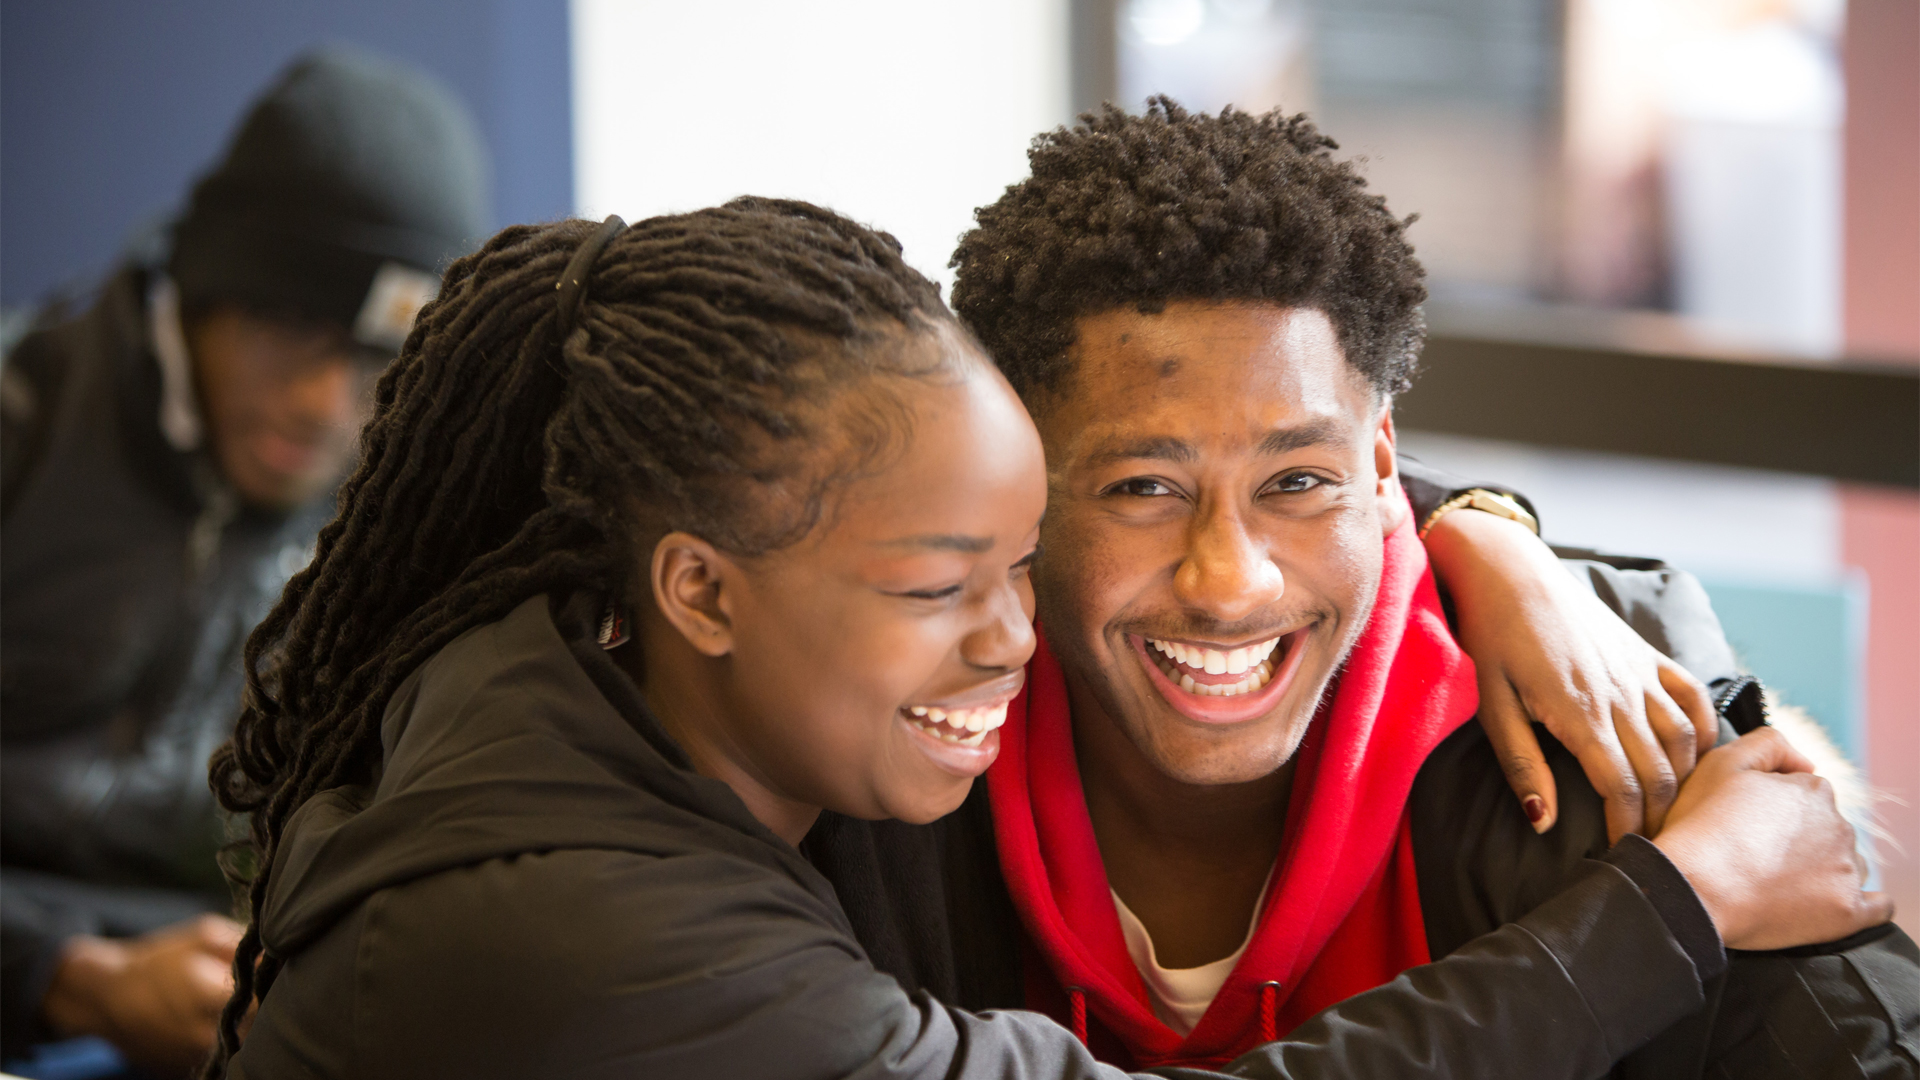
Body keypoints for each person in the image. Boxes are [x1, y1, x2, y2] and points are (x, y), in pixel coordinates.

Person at [214, 203, 1878, 1080]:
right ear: (698, 587)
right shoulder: (596, 930)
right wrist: (1679, 903)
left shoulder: (602, 647)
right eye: (947, 586)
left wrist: (1480, 535)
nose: (1009, 642)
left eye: (1019, 567)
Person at [803, 98, 1914, 1075]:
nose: (1229, 584)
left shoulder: (1602, 721)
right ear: (1018, 473)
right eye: (1144, 485)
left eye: (1297, 481)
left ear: (1382, 466)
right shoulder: (877, 745)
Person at [0, 48, 488, 1075]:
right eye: (290, 324)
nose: (323, 404)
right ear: (198, 287)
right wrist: (63, 974)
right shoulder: (21, 417)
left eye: (374, 358)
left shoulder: (392, 525)